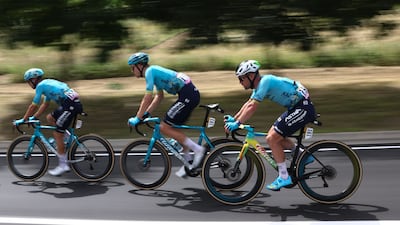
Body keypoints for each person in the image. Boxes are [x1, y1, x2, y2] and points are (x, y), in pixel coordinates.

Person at [224, 60, 316, 191]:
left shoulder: (265, 81)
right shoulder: (260, 85)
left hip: (302, 108)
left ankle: (284, 176)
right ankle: (303, 155)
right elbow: (248, 103)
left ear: (251, 76)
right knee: (274, 136)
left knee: (272, 138)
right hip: (297, 107)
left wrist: (238, 123)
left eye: (241, 78)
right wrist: (235, 118)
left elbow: (252, 107)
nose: (240, 82)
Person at [126, 52, 205, 178]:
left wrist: (138, 117)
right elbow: (159, 96)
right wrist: (146, 114)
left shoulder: (149, 72)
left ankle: (197, 149)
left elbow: (147, 97)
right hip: (188, 94)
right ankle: (190, 163)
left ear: (140, 65)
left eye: (132, 67)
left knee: (164, 127)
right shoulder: (154, 72)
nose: (132, 70)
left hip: (187, 95)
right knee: (175, 130)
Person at [14, 68, 83, 176]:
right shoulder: (46, 85)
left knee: (57, 133)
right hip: (71, 103)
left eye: (28, 81)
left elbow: (33, 105)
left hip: (70, 105)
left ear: (34, 80)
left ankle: (63, 165)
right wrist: (33, 117)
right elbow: (44, 105)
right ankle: (65, 137)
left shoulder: (40, 86)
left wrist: (24, 119)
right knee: (50, 118)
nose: (28, 84)